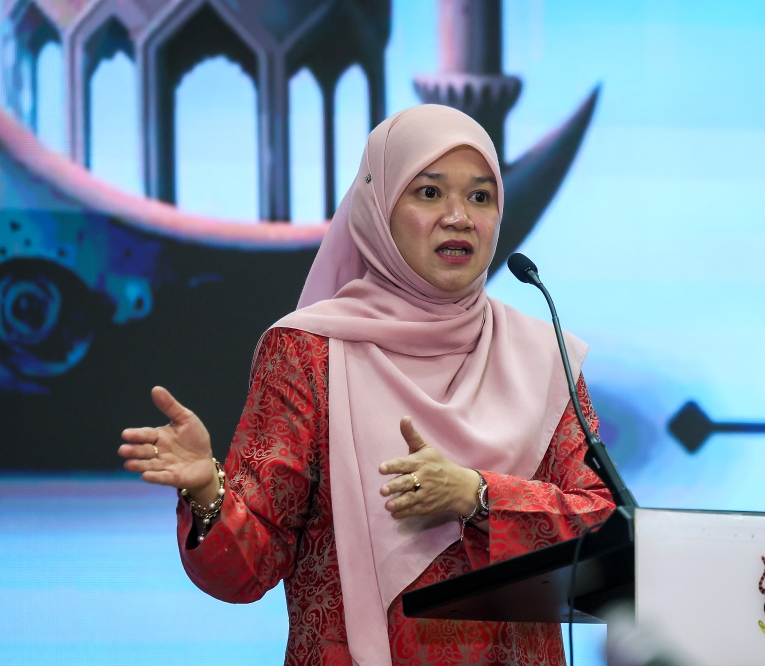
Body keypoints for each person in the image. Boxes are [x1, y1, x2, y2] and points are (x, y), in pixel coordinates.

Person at [118, 105, 614, 666]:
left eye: (480, 197)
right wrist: (209, 492)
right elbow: (250, 569)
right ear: (377, 208)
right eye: (429, 193)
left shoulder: (544, 357)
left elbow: (604, 525)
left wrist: (475, 496)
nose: (459, 217)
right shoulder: (310, 352)